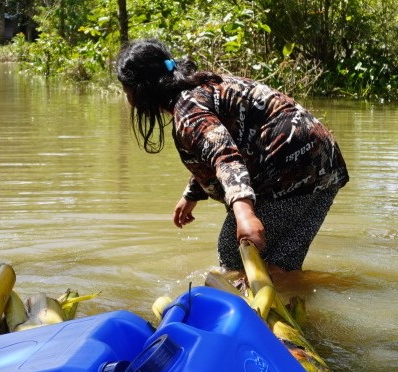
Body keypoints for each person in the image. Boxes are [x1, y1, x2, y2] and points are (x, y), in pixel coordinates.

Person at [114, 39, 348, 274]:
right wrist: (192, 194)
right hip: (326, 163)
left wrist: (245, 215)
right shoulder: (201, 88)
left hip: (290, 168)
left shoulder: (188, 113)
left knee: (233, 252)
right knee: (281, 267)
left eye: (126, 90)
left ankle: (243, 307)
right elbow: (220, 143)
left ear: (142, 92)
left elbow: (225, 155)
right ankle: (287, 306)